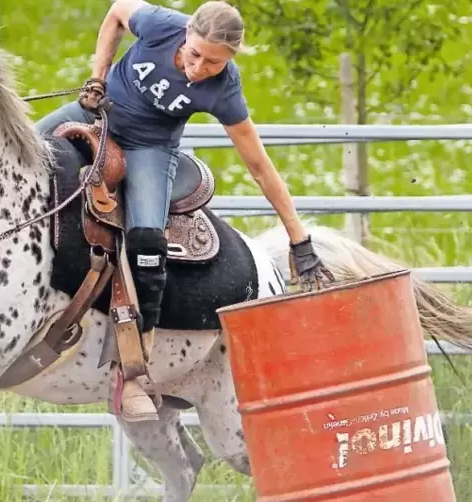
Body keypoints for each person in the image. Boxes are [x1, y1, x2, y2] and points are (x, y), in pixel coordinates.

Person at [36, 0, 335, 422]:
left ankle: (135, 371)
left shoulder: (225, 88)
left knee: (147, 243)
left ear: (232, 57)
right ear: (185, 35)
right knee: (20, 154)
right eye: (194, 55)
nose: (198, 69)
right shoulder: (160, 24)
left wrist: (298, 237)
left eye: (213, 62)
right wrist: (97, 77)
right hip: (96, 113)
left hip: (150, 149)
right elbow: (118, 10)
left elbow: (259, 166)